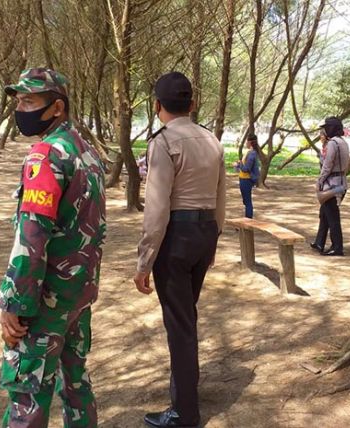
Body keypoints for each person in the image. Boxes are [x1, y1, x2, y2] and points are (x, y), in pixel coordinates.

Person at [0, 68, 106, 428]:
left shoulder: (46, 156)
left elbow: (33, 233)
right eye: (19, 101)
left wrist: (14, 302)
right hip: (78, 293)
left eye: (29, 101)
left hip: (45, 301)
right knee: (76, 383)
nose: (21, 109)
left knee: (28, 395)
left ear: (57, 107)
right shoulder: (87, 153)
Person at [134, 71, 226, 428]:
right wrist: (213, 242)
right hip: (204, 234)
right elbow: (221, 198)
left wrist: (144, 261)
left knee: (180, 326)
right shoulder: (211, 139)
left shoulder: (163, 142)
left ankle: (184, 413)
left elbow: (156, 208)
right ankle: (185, 395)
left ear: (158, 106)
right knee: (187, 317)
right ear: (192, 104)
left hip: (176, 238)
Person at [310, 117, 349, 256]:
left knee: (332, 217)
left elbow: (327, 166)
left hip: (332, 185)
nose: (324, 130)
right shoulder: (343, 142)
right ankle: (319, 242)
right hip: (341, 183)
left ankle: (337, 247)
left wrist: (319, 181)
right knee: (325, 214)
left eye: (326, 127)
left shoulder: (332, 143)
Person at [233, 134, 260, 218]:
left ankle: (248, 221)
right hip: (243, 179)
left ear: (250, 142)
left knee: (247, 202)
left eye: (246, 141)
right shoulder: (249, 152)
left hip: (246, 180)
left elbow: (246, 169)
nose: (245, 143)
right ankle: (247, 220)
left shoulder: (252, 153)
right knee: (246, 201)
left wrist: (240, 163)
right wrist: (237, 165)